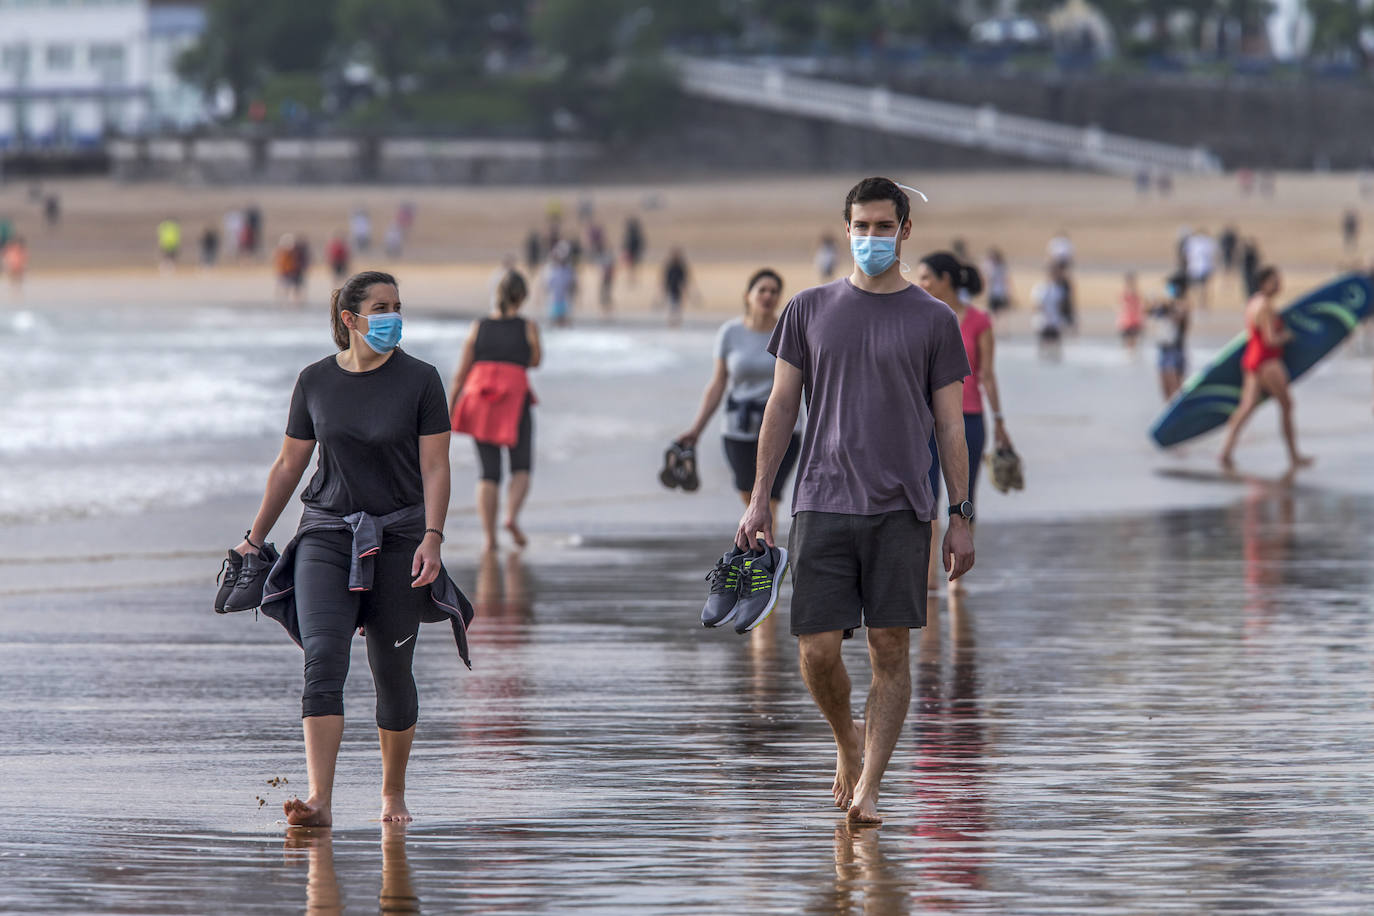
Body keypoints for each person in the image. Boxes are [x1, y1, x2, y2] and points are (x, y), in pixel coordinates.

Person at [735, 177, 975, 826]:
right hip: (820, 500)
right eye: (861, 226)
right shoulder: (809, 309)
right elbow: (782, 406)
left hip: (903, 508)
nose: (872, 237)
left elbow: (951, 424)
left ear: (905, 231)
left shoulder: (934, 319)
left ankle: (869, 787)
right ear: (847, 231)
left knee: (890, 648)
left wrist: (960, 516)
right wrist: (760, 498)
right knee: (815, 650)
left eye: (883, 226)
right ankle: (848, 740)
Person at [228, 269, 468, 828]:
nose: (393, 316)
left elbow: (436, 466)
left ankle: (392, 795)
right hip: (326, 535)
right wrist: (254, 538)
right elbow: (290, 465)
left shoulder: (422, 381)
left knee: (393, 673)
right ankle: (319, 800)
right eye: (380, 307)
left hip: (403, 538)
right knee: (323, 662)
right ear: (349, 318)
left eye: (398, 305)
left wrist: (433, 537)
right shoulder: (315, 381)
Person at [915, 252, 1013, 592]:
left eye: (926, 277)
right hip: (926, 421)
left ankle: (957, 576)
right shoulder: (920, 318)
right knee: (925, 498)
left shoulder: (979, 321)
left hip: (969, 418)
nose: (921, 284)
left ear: (946, 280)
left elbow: (987, 375)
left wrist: (999, 421)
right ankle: (928, 578)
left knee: (964, 496)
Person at [679, 268, 802, 515]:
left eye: (774, 291)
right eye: (762, 290)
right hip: (738, 430)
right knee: (749, 495)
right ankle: (759, 550)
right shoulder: (730, 332)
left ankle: (762, 552)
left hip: (783, 428)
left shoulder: (789, 330)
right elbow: (718, 384)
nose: (768, 295)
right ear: (748, 295)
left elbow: (804, 381)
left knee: (770, 497)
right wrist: (696, 429)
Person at [449, 270, 542, 552]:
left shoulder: (479, 327)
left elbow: (461, 373)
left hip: (482, 401)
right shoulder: (527, 326)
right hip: (515, 400)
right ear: (523, 296)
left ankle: (489, 538)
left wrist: (450, 406)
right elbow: (535, 361)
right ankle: (511, 515)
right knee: (521, 466)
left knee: (488, 472)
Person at [1218, 267, 1313, 473]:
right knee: (1287, 405)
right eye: (1275, 281)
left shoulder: (1253, 302)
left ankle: (1225, 452)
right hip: (1268, 361)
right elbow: (1271, 340)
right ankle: (1294, 455)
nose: (1279, 285)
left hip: (1252, 360)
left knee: (1247, 407)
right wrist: (1287, 336)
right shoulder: (1266, 306)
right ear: (1264, 283)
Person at [1152, 274, 1190, 400]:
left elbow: (1180, 318)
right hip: (1163, 349)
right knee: (1164, 388)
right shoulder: (1164, 304)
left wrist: (1169, 306)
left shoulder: (1183, 305)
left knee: (1176, 388)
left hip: (1175, 351)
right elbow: (1148, 310)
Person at [1032, 261, 1069, 361]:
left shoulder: (1059, 289)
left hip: (1054, 320)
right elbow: (1036, 305)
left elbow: (1061, 305)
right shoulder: (1040, 288)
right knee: (1044, 343)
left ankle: (1054, 358)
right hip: (1044, 320)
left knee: (1056, 343)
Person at [542, 242, 576, 327]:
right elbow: (546, 285)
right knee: (554, 321)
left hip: (565, 298)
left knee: (564, 321)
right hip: (553, 299)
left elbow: (572, 284)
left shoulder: (568, 269)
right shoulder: (550, 268)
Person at [1184, 229, 1217, 310]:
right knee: (1199, 288)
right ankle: (1199, 303)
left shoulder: (1203, 242)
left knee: (1202, 288)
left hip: (1201, 268)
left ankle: (1202, 304)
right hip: (1197, 268)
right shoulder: (1194, 242)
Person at [663, 249, 691, 327]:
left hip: (678, 290)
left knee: (678, 307)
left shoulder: (680, 267)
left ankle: (677, 322)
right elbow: (666, 278)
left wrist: (685, 289)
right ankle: (671, 322)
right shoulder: (670, 266)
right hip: (671, 289)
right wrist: (665, 289)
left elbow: (684, 279)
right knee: (671, 307)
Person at [1117, 271, 1145, 350]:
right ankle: (1130, 353)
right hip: (1126, 322)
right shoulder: (1124, 294)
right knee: (1128, 344)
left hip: (1134, 321)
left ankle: (1132, 352)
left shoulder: (1136, 294)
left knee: (1133, 343)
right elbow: (1120, 307)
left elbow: (1141, 307)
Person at [982, 248, 1011, 317]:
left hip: (1000, 292)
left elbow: (1006, 279)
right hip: (992, 292)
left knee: (1000, 311)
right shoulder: (989, 266)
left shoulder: (1001, 267)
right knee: (992, 310)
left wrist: (1008, 292)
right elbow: (986, 278)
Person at [622, 216, 644, 286]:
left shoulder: (633, 233)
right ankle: (631, 278)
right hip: (631, 252)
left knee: (632, 266)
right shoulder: (632, 233)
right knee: (631, 266)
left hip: (633, 251)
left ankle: (632, 278)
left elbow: (639, 243)